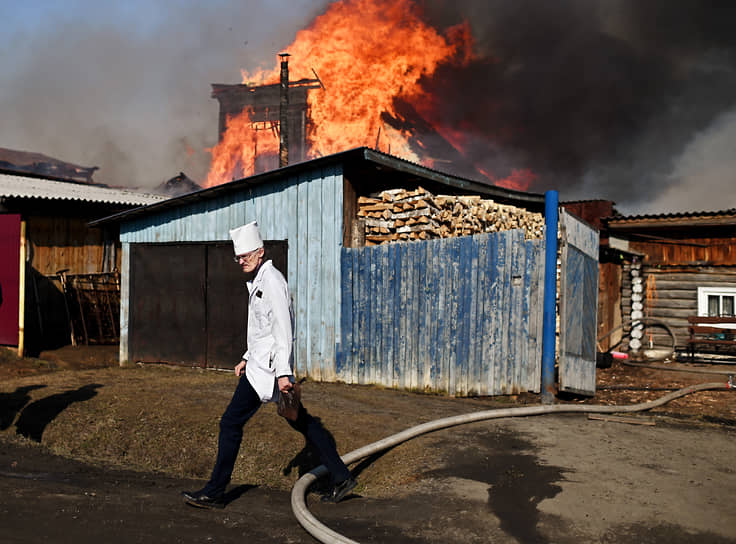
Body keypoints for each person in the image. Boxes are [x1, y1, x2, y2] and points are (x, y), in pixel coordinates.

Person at [182, 221, 356, 509]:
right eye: (238, 257)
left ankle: (214, 492)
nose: (241, 261)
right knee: (299, 419)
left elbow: (284, 329)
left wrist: (284, 373)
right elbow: (263, 331)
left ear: (260, 252)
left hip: (269, 371)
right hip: (259, 365)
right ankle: (341, 476)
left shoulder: (272, 281)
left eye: (246, 256)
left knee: (230, 422)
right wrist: (247, 357)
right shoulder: (260, 279)